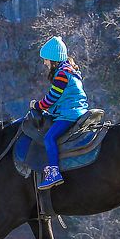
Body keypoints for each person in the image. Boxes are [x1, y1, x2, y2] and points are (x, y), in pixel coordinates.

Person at [31, 35, 89, 190]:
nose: (45, 63)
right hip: (76, 110)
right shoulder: (70, 71)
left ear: (54, 60)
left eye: (46, 60)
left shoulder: (62, 75)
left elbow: (51, 98)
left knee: (49, 137)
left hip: (69, 114)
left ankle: (54, 172)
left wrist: (37, 106)